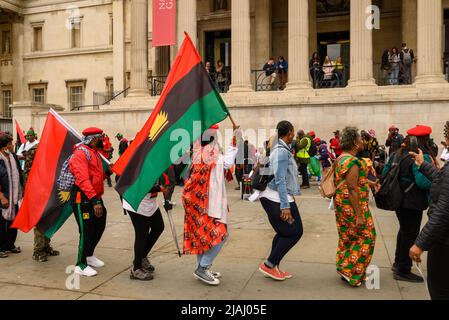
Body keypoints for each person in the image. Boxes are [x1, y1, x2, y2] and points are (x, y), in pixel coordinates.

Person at [182, 124, 239, 286]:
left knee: (202, 235)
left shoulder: (198, 150)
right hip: (208, 202)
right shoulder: (210, 152)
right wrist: (235, 138)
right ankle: (203, 267)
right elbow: (227, 163)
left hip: (197, 202)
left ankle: (202, 267)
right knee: (221, 235)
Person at [383, 125, 434, 283]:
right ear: (424, 140)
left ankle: (398, 263)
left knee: (404, 232)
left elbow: (385, 172)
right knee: (410, 234)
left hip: (398, 199)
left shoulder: (397, 153)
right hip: (412, 201)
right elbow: (423, 181)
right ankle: (403, 269)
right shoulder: (420, 156)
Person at [258, 121, 303, 281]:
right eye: (293, 132)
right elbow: (280, 180)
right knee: (294, 232)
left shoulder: (280, 148)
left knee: (284, 232)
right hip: (277, 198)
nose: (294, 135)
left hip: (277, 197)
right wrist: (285, 206)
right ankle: (269, 265)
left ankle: (273, 265)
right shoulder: (281, 151)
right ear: (289, 132)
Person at [409, 121, 449, 300]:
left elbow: (443, 210)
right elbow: (442, 180)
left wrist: (420, 244)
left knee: (440, 290)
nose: (445, 143)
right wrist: (422, 164)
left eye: (447, 138)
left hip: (444, 243)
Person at [333, 127, 376, 287]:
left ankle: (344, 266)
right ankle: (351, 271)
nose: (362, 141)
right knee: (368, 236)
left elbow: (351, 180)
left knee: (348, 236)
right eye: (360, 138)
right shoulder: (353, 161)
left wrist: (370, 182)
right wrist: (359, 215)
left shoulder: (341, 158)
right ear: (354, 143)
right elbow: (352, 188)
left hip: (342, 203)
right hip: (352, 205)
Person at [70, 127, 113, 277]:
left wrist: (107, 173)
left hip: (94, 196)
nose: (103, 140)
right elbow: (82, 180)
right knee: (86, 231)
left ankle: (89, 255)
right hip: (83, 198)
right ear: (94, 139)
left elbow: (95, 177)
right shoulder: (80, 154)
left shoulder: (93, 152)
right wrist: (95, 201)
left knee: (99, 225)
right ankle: (80, 265)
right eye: (101, 137)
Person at [123, 180, 167, 281]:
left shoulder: (157, 165)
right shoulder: (139, 165)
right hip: (136, 202)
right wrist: (159, 188)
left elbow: (166, 183)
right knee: (142, 234)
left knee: (158, 227)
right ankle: (136, 269)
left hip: (150, 202)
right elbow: (139, 185)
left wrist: (167, 200)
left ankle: (142, 257)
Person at [24, 142, 60, 262]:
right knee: (40, 221)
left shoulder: (54, 150)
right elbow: (27, 173)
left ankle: (46, 246)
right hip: (38, 192)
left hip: (50, 191)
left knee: (49, 220)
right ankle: (38, 251)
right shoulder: (34, 150)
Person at [0, 133, 23, 258]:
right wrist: (2, 197)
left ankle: (10, 245)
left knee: (14, 222)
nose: (13, 145)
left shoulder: (12, 157)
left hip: (13, 196)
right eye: (10, 144)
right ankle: (1, 247)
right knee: (2, 224)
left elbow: (19, 175)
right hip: (3, 197)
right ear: (4, 147)